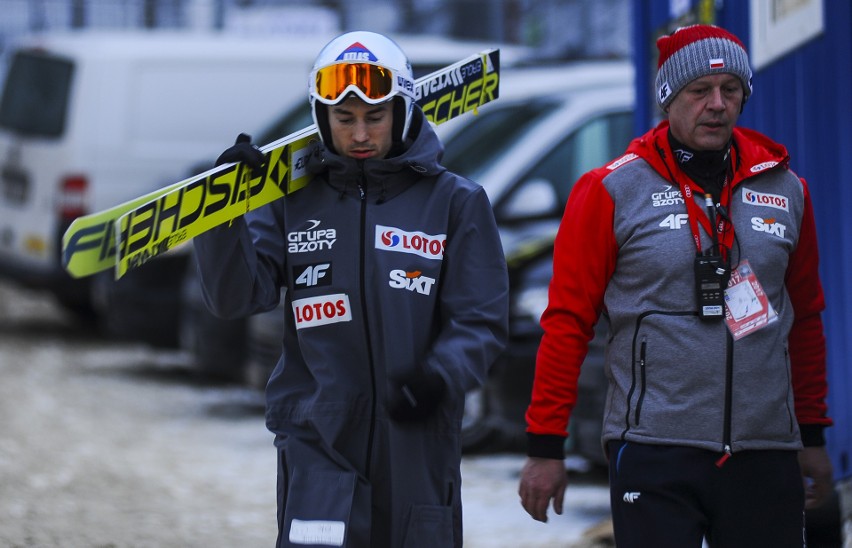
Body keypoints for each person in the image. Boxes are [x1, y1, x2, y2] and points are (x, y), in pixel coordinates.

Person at [518, 24, 833, 547]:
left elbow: (805, 317)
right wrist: (545, 445)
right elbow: (568, 322)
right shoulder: (611, 189)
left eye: (730, 90)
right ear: (668, 99)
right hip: (653, 448)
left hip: (765, 448)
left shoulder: (787, 188)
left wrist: (814, 433)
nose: (717, 105)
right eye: (699, 92)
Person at [193, 31, 509, 547]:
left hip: (416, 434)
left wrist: (438, 376)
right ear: (322, 119)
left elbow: (481, 319)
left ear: (403, 111)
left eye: (374, 117)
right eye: (344, 119)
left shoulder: (456, 202)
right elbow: (235, 299)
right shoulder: (291, 202)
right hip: (318, 438)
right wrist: (224, 213)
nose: (360, 133)